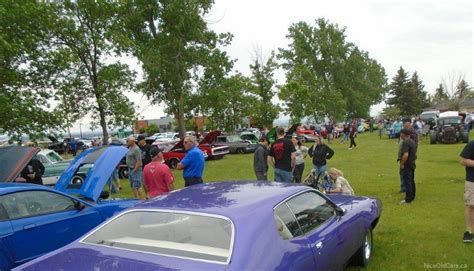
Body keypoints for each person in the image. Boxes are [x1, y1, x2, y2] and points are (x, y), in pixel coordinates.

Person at [459, 140, 474, 243]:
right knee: (470, 205)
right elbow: (462, 160)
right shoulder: (472, 144)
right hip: (472, 180)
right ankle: (469, 232)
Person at [399, 128, 417, 204]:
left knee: (407, 182)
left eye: (401, 134)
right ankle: (412, 196)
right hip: (412, 163)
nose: (400, 135)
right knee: (411, 181)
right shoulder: (412, 141)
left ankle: (408, 200)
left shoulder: (406, 142)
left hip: (408, 164)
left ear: (403, 134)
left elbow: (405, 155)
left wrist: (402, 164)